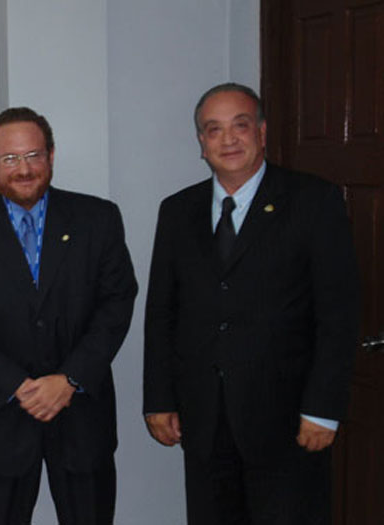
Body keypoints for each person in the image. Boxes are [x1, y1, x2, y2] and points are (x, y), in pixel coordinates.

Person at [143, 83, 359, 524]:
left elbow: (338, 314)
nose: (228, 140)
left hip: (289, 421)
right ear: (201, 143)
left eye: (239, 126)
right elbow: (162, 312)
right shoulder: (177, 211)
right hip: (204, 420)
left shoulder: (314, 201)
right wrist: (158, 398)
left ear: (261, 133)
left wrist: (324, 408)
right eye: (214, 129)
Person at [0, 107, 137, 524]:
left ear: (51, 156)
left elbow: (116, 304)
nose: (23, 169)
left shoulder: (98, 219)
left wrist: (70, 378)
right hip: (0, 418)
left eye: (33, 156)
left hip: (82, 417)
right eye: (10, 158)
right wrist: (16, 386)